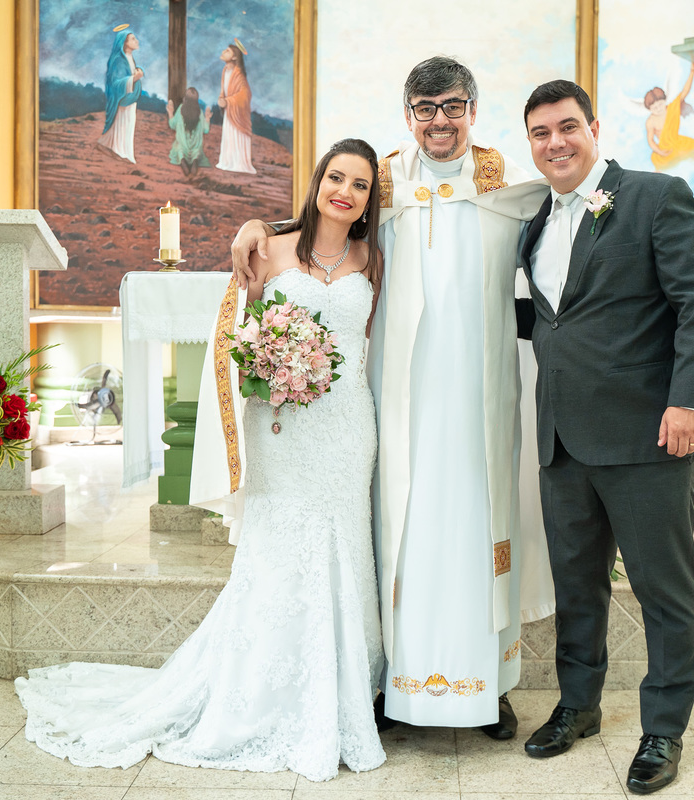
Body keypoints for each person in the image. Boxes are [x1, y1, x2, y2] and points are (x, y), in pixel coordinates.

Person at [16, 138, 386, 783]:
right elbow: (238, 332)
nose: (345, 192)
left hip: (349, 428)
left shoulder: (371, 257)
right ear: (317, 180)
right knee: (277, 551)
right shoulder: (269, 247)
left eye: (359, 184)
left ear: (369, 198)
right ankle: (263, 693)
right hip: (282, 425)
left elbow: (368, 341)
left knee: (344, 548)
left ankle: (344, 691)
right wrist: (270, 365)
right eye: (336, 177)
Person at [231, 56, 555, 740]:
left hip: (479, 405)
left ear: (473, 108)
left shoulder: (513, 190)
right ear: (407, 115)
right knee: (396, 532)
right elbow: (318, 223)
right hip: (394, 405)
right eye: (426, 108)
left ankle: (486, 688)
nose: (440, 121)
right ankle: (393, 682)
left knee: (476, 527)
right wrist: (255, 226)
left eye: (454, 106)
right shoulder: (385, 187)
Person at [516, 80, 694, 795]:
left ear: (595, 128)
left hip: (645, 434)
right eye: (540, 134)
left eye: (567, 127)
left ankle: (663, 730)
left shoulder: (653, 196)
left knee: (663, 590)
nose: (556, 143)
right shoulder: (535, 222)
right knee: (577, 587)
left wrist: (690, 401)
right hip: (561, 439)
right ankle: (579, 707)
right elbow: (552, 317)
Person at [96, 24, 143, 163]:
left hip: (129, 98)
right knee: (122, 124)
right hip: (121, 99)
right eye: (133, 39)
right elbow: (115, 83)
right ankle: (119, 151)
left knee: (127, 124)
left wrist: (135, 76)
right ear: (125, 43)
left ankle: (117, 149)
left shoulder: (130, 58)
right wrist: (135, 78)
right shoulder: (118, 60)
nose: (137, 41)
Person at [644, 61, 694, 171]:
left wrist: (692, 71)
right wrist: (659, 151)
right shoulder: (650, 121)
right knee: (660, 164)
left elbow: (684, 92)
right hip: (665, 149)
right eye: (654, 108)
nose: (658, 108)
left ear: (665, 101)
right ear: (649, 109)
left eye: (660, 104)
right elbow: (651, 140)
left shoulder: (671, 108)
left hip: (678, 143)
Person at [216, 38, 257, 174]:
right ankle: (228, 162)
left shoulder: (238, 74)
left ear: (234, 56)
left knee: (237, 136)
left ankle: (239, 164)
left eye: (227, 51)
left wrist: (228, 101)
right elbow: (224, 89)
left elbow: (245, 94)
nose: (223, 52)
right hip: (229, 112)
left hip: (238, 113)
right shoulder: (225, 71)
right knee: (229, 135)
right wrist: (222, 98)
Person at [166, 87, 214, 177]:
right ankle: (195, 160)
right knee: (196, 152)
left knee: (179, 148)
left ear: (185, 99)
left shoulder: (181, 109)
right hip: (195, 147)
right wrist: (207, 118)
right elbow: (206, 130)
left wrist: (170, 113)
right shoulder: (199, 112)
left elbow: (172, 125)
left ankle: (182, 159)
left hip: (182, 146)